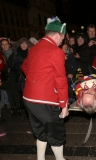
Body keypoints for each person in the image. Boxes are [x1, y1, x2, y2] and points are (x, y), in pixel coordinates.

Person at [22, 16, 68, 160]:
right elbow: (61, 80)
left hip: (28, 98)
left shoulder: (34, 48)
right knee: (55, 133)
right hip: (46, 100)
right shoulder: (56, 51)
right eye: (62, 37)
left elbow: (24, 66)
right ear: (56, 35)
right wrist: (64, 104)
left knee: (40, 131)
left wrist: (35, 79)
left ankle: (40, 158)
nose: (63, 41)